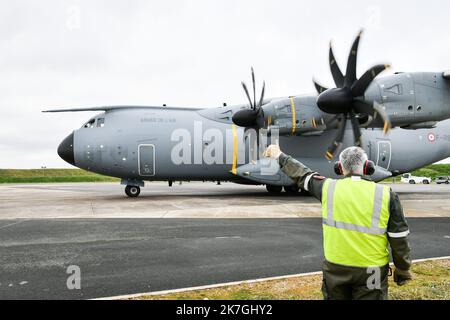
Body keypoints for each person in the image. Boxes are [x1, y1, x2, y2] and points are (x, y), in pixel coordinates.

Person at [263, 144, 412, 300]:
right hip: (371, 271)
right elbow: (399, 238)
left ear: (339, 168)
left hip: (336, 269)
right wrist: (402, 269)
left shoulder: (327, 188)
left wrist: (279, 155)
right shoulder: (387, 195)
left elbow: (302, 174)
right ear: (368, 167)